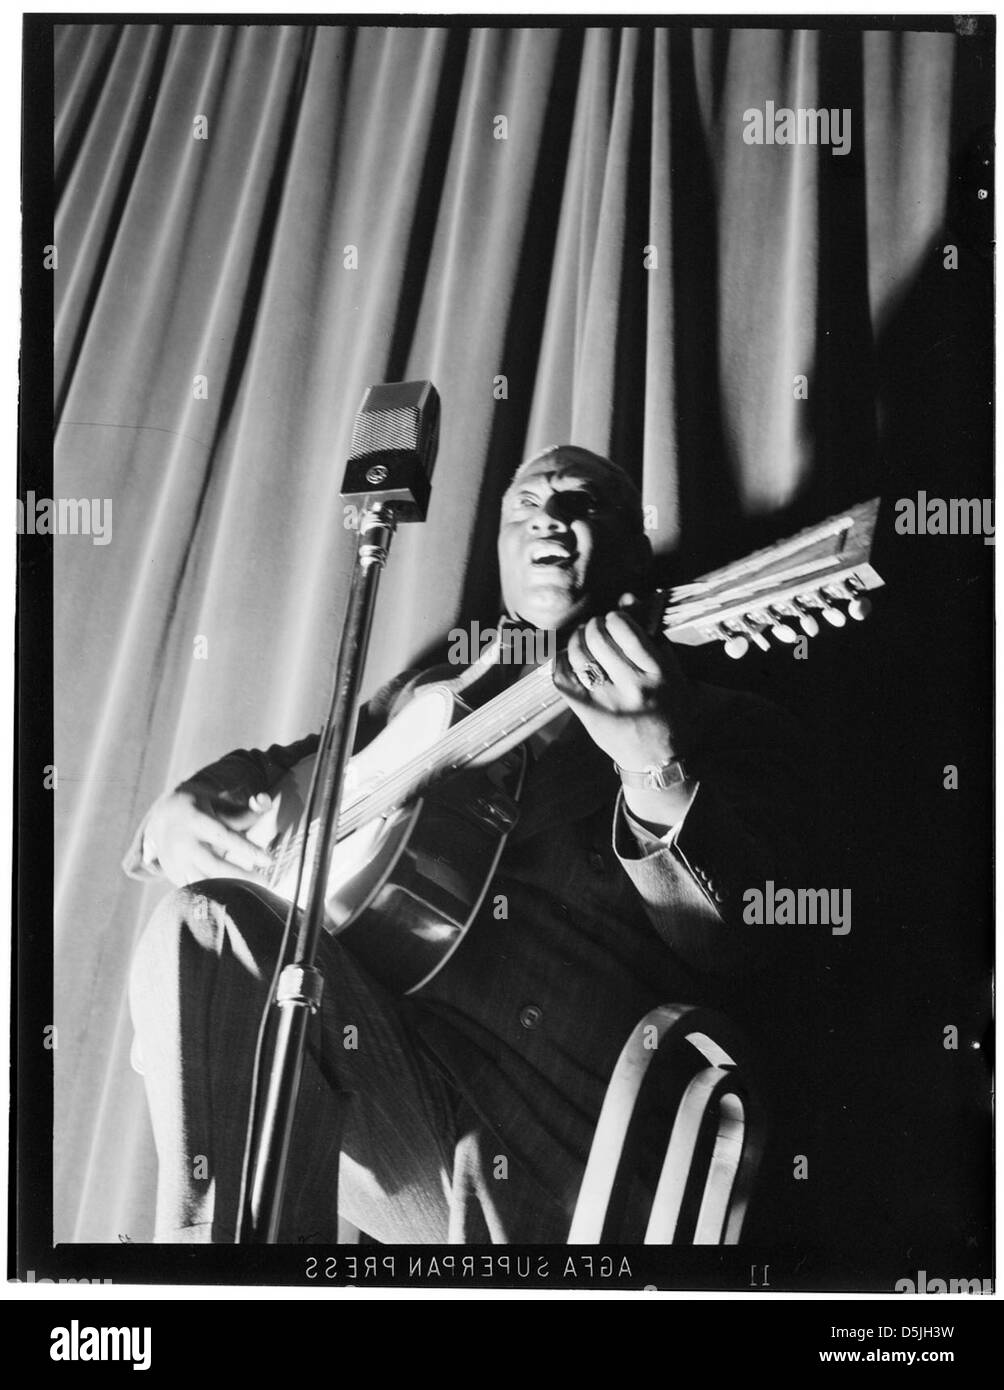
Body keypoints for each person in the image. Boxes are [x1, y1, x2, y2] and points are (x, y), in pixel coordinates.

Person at [124, 443, 804, 1244]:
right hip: (396, 1093)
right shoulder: (429, 692)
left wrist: (656, 766)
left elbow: (736, 944)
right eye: (527, 506)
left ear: (637, 547)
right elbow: (289, 768)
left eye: (583, 503)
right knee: (199, 922)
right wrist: (182, 806)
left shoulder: (723, 723)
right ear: (501, 550)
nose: (550, 518)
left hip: (573, 1146)